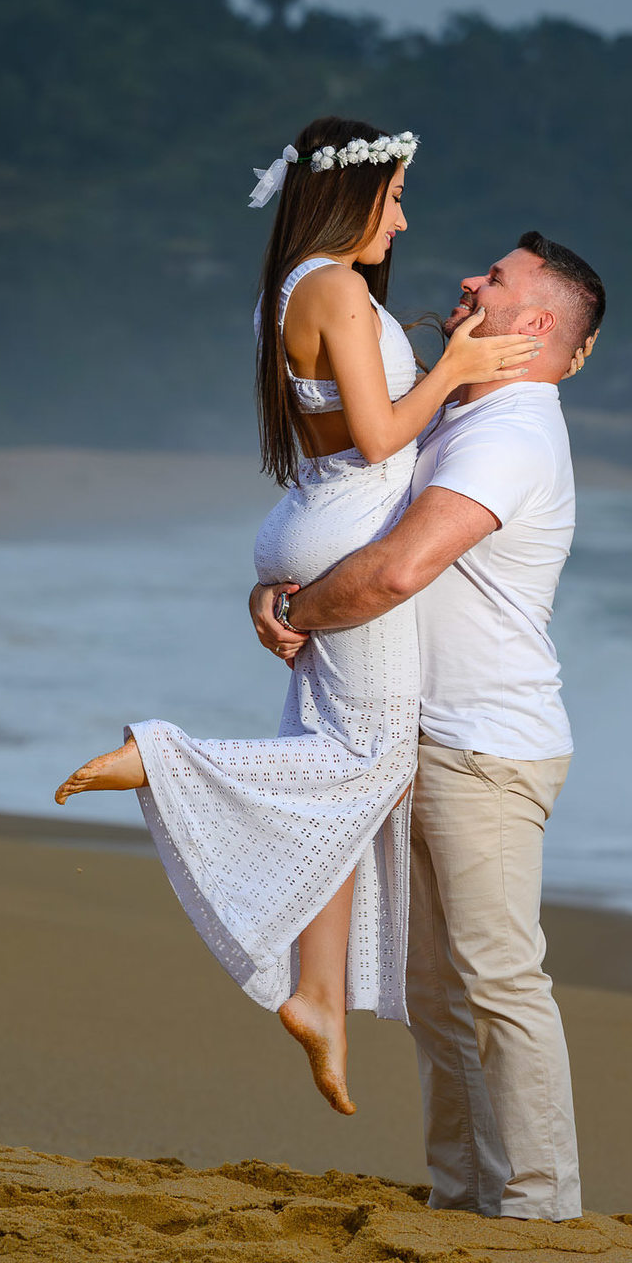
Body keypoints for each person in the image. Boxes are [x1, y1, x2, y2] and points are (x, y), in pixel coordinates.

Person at [54, 118, 539, 1116]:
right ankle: (163, 756)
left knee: (337, 772)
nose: (403, 220)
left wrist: (437, 363)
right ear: (352, 195)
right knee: (370, 762)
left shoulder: (300, 287)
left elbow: (357, 428)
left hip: (315, 523)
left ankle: (318, 994)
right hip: (349, 533)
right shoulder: (337, 288)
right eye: (396, 197)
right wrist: (451, 373)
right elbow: (377, 436)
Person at [251, 231, 605, 1221]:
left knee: (497, 981)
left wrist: (299, 611)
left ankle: (538, 1207)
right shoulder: (457, 411)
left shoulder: (511, 433)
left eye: (495, 279)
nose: (468, 280)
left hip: (485, 746)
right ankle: (466, 1193)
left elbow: (402, 566)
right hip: (425, 733)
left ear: (533, 325)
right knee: (437, 993)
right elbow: (346, 522)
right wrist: (280, 589)